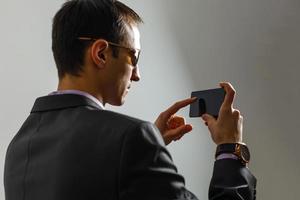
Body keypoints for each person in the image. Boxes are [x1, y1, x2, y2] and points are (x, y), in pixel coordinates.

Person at [4, 0, 256, 199]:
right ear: (101, 53)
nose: (137, 75)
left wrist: (147, 148)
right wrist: (230, 149)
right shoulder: (133, 138)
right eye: (133, 57)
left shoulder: (19, 145)